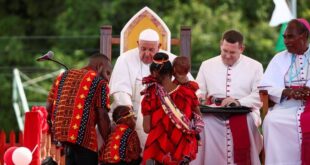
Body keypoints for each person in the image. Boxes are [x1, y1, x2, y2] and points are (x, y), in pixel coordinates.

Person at [109, 28, 192, 149]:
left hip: (165, 117)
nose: (147, 53)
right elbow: (120, 90)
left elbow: (189, 85)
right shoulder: (124, 59)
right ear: (138, 44)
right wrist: (129, 113)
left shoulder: (171, 59)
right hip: (131, 115)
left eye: (151, 50)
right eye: (143, 49)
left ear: (159, 46)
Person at [192, 30, 263, 165]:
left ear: (241, 49)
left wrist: (238, 102)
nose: (227, 56)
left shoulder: (255, 66)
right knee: (204, 124)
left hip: (244, 111)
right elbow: (198, 90)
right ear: (221, 45)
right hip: (213, 111)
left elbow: (258, 95)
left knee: (248, 121)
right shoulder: (207, 65)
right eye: (225, 51)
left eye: (232, 52)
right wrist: (200, 97)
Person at [46, 53, 112, 165]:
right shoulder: (100, 82)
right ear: (99, 66)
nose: (108, 78)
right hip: (83, 137)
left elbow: (48, 107)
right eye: (108, 73)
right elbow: (102, 117)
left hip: (61, 135)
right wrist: (109, 142)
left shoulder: (62, 76)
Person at [260, 18, 310, 165]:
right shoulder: (279, 58)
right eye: (285, 37)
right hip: (286, 107)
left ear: (304, 36)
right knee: (271, 120)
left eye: (290, 37)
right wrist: (286, 92)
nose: (286, 41)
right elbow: (265, 86)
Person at [141, 52, 200, 164]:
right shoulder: (188, 93)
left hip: (158, 152)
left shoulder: (150, 96)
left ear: (154, 73)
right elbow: (199, 118)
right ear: (171, 71)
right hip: (181, 149)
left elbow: (147, 128)